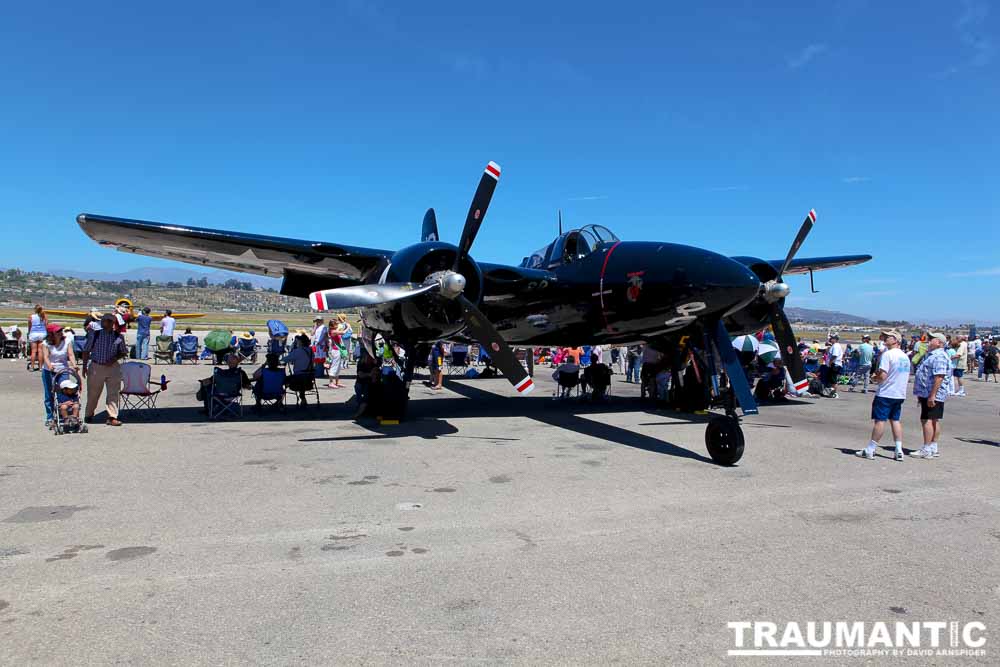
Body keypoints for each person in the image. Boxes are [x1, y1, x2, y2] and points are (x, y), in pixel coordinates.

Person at [856, 330, 909, 461]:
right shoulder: (904, 356)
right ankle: (899, 449)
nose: (885, 339)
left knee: (880, 421)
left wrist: (875, 378)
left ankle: (871, 448)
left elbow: (883, 375)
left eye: (888, 337)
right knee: (895, 420)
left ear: (896, 340)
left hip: (886, 392)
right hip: (899, 393)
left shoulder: (888, 354)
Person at [80, 313, 128, 426]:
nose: (104, 322)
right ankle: (89, 414)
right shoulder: (95, 335)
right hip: (97, 366)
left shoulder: (118, 337)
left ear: (112, 323)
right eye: (104, 320)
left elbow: (123, 352)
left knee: (113, 393)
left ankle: (112, 417)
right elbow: (86, 350)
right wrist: (84, 366)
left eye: (108, 321)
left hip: (113, 368)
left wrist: (114, 359)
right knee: (93, 393)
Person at [910, 333, 951, 460]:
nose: (928, 341)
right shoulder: (932, 355)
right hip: (927, 393)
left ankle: (927, 448)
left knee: (927, 419)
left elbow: (939, 376)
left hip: (932, 393)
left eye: (931, 339)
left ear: (939, 343)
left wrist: (932, 395)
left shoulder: (939, 356)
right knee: (933, 419)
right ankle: (933, 446)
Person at [41, 323, 78, 428]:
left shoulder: (67, 341)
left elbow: (70, 354)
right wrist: (50, 366)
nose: (60, 333)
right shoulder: (46, 343)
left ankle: (63, 415)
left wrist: (74, 365)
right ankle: (50, 417)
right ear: (51, 334)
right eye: (57, 331)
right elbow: (46, 357)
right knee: (49, 394)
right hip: (49, 370)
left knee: (65, 392)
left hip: (63, 370)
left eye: (60, 331)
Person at [283, 334, 315, 405]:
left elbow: (285, 359)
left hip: (299, 377)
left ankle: (279, 400)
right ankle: (302, 398)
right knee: (300, 378)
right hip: (309, 376)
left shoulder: (298, 351)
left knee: (282, 380)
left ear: (301, 342)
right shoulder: (310, 351)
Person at [27, 304, 48, 371]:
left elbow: (29, 326)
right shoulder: (44, 316)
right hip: (42, 334)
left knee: (33, 351)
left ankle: (32, 367)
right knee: (40, 351)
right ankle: (41, 367)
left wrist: (29, 332)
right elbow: (46, 325)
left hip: (34, 334)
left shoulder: (31, 316)